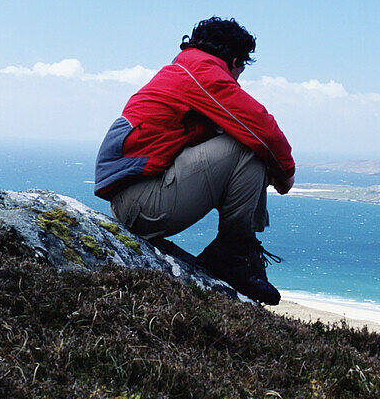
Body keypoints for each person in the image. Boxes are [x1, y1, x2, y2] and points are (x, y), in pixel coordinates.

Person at [94, 17, 295, 304]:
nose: (237, 81)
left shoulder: (185, 69)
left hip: (136, 199)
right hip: (140, 204)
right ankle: (233, 255)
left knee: (246, 141)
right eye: (240, 72)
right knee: (249, 146)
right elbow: (261, 127)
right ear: (235, 61)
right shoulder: (202, 72)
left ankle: (238, 249)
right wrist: (285, 174)